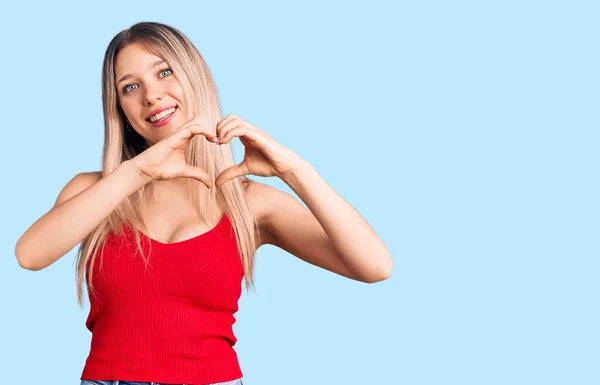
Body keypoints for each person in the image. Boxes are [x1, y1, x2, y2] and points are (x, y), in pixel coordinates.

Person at [14, 21, 392, 385]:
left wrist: (295, 170)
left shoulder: (248, 203)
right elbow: (30, 255)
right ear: (120, 110)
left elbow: (375, 266)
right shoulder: (94, 191)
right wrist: (137, 173)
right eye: (129, 87)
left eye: (164, 72)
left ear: (197, 78)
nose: (151, 95)